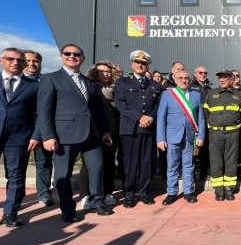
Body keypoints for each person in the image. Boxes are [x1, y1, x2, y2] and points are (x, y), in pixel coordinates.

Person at [37, 44, 113, 223]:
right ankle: (68, 209)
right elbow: (44, 111)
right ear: (62, 56)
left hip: (92, 134)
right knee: (63, 174)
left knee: (97, 168)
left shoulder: (89, 83)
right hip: (65, 135)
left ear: (83, 58)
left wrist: (106, 131)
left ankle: (97, 201)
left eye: (76, 54)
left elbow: (99, 110)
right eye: (68, 53)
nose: (72, 56)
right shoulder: (51, 79)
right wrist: (48, 136)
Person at [0, 48, 40, 232]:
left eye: (20, 60)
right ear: (0, 60)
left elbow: (39, 114)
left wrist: (36, 135)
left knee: (16, 177)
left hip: (19, 137)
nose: (15, 63)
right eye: (10, 59)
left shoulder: (34, 85)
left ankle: (10, 213)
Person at [114, 51, 161, 208]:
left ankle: (143, 192)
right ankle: (129, 192)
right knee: (129, 162)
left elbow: (157, 106)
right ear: (132, 64)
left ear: (148, 66)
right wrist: (139, 117)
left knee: (146, 162)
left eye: (144, 63)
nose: (140, 65)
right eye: (137, 62)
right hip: (129, 129)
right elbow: (120, 104)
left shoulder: (154, 85)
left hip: (148, 129)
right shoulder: (123, 82)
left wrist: (150, 118)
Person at [156, 70, 205, 204]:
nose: (184, 80)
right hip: (172, 136)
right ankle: (172, 192)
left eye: (186, 78)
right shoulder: (167, 94)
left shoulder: (196, 95)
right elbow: (161, 117)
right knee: (172, 166)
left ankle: (189, 191)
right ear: (175, 79)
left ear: (189, 80)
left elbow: (200, 118)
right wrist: (160, 138)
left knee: (189, 165)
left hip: (190, 137)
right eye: (180, 78)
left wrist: (201, 135)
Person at [83, 61, 121, 206]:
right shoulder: (89, 87)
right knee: (90, 166)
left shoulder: (116, 89)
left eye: (108, 71)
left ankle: (108, 192)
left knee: (109, 163)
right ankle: (87, 195)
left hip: (112, 131)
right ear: (94, 73)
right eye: (101, 71)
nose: (106, 73)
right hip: (93, 131)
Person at [204, 70, 241, 201]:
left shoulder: (238, 95)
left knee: (231, 160)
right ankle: (218, 190)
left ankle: (229, 188)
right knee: (216, 161)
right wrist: (211, 126)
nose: (222, 79)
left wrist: (236, 126)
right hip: (215, 133)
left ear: (231, 79)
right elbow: (206, 113)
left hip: (233, 133)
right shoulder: (211, 94)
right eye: (220, 77)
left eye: (225, 77)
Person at [23, 49, 55, 207]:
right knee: (14, 166)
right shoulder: (11, 81)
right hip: (16, 131)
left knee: (43, 163)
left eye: (35, 61)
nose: (31, 64)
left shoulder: (47, 81)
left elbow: (45, 110)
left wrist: (37, 133)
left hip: (41, 129)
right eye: (27, 60)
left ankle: (44, 194)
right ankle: (15, 195)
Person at [191, 65, 212, 181]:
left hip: (207, 123)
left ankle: (204, 172)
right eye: (200, 72)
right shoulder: (191, 86)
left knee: (205, 150)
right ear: (195, 74)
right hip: (195, 124)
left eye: (205, 73)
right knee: (194, 150)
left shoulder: (210, 89)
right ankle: (192, 173)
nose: (203, 74)